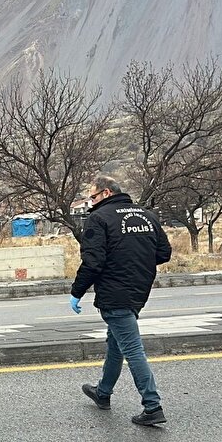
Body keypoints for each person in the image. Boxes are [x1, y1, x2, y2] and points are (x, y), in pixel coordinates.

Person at [68, 177, 172, 426]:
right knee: (116, 343)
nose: (91, 202)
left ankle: (152, 405)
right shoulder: (146, 216)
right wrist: (136, 263)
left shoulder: (99, 218)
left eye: (93, 197)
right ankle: (103, 392)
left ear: (106, 193)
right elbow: (163, 253)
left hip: (114, 292)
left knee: (132, 349)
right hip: (139, 289)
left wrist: (77, 291)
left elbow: (93, 261)